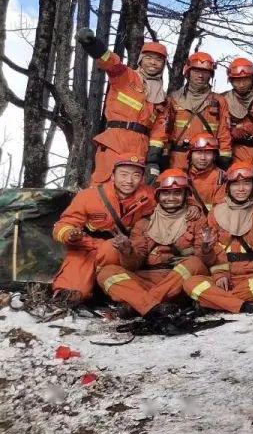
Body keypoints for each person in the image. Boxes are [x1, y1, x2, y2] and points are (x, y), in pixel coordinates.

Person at [96, 169, 213, 330]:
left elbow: (204, 261)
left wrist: (207, 248)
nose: (171, 198)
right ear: (158, 196)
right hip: (147, 280)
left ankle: (142, 305)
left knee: (194, 263)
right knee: (107, 272)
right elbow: (133, 265)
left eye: (177, 193)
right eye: (165, 193)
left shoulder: (196, 219)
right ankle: (155, 307)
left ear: (186, 196)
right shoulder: (144, 223)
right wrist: (127, 250)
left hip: (177, 283)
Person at [52, 156, 155, 305]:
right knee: (72, 293)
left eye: (136, 175)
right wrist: (70, 234)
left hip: (121, 250)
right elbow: (63, 224)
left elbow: (175, 198)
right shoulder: (89, 196)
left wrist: (193, 207)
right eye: (124, 174)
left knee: (112, 250)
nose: (129, 180)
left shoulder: (149, 196)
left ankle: (104, 289)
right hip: (86, 249)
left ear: (142, 178)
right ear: (113, 175)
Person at [74, 30, 167, 185]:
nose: (153, 62)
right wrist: (93, 44)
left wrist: (153, 161)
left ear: (163, 65)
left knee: (134, 189)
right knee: (103, 185)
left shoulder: (162, 97)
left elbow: (159, 131)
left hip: (140, 147)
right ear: (141, 60)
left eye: (158, 60)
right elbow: (111, 62)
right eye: (149, 58)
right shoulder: (126, 76)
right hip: (115, 141)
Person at [182, 163, 253, 314]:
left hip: (251, 273)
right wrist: (219, 272)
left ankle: (216, 302)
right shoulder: (215, 213)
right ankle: (245, 306)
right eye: (235, 184)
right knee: (191, 283)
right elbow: (211, 252)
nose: (241, 189)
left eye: (246, 183)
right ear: (228, 187)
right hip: (223, 274)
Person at [151, 52, 232, 173]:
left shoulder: (219, 102)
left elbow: (224, 132)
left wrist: (224, 158)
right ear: (188, 73)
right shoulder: (173, 99)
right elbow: (163, 128)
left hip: (206, 161)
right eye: (196, 71)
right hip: (177, 159)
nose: (200, 75)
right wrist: (156, 153)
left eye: (205, 72)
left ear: (211, 75)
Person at [222, 58, 253, 167]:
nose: (242, 84)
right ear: (231, 81)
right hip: (235, 152)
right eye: (237, 80)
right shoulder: (223, 99)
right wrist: (232, 130)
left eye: (246, 79)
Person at [185, 133, 225, 211]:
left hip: (210, 221)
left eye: (208, 153)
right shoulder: (183, 175)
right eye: (198, 152)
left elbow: (220, 210)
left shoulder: (221, 177)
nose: (203, 158)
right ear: (190, 154)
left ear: (214, 156)